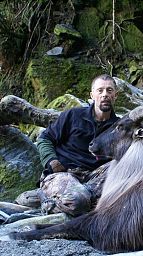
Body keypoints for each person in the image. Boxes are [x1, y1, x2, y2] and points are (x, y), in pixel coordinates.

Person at [36, 74, 120, 216]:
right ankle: (49, 203)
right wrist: (51, 161)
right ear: (92, 95)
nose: (105, 94)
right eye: (100, 90)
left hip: (94, 179)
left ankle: (87, 202)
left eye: (109, 90)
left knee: (120, 166)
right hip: (65, 173)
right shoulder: (73, 115)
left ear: (115, 95)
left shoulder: (119, 127)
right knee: (77, 202)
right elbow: (44, 138)